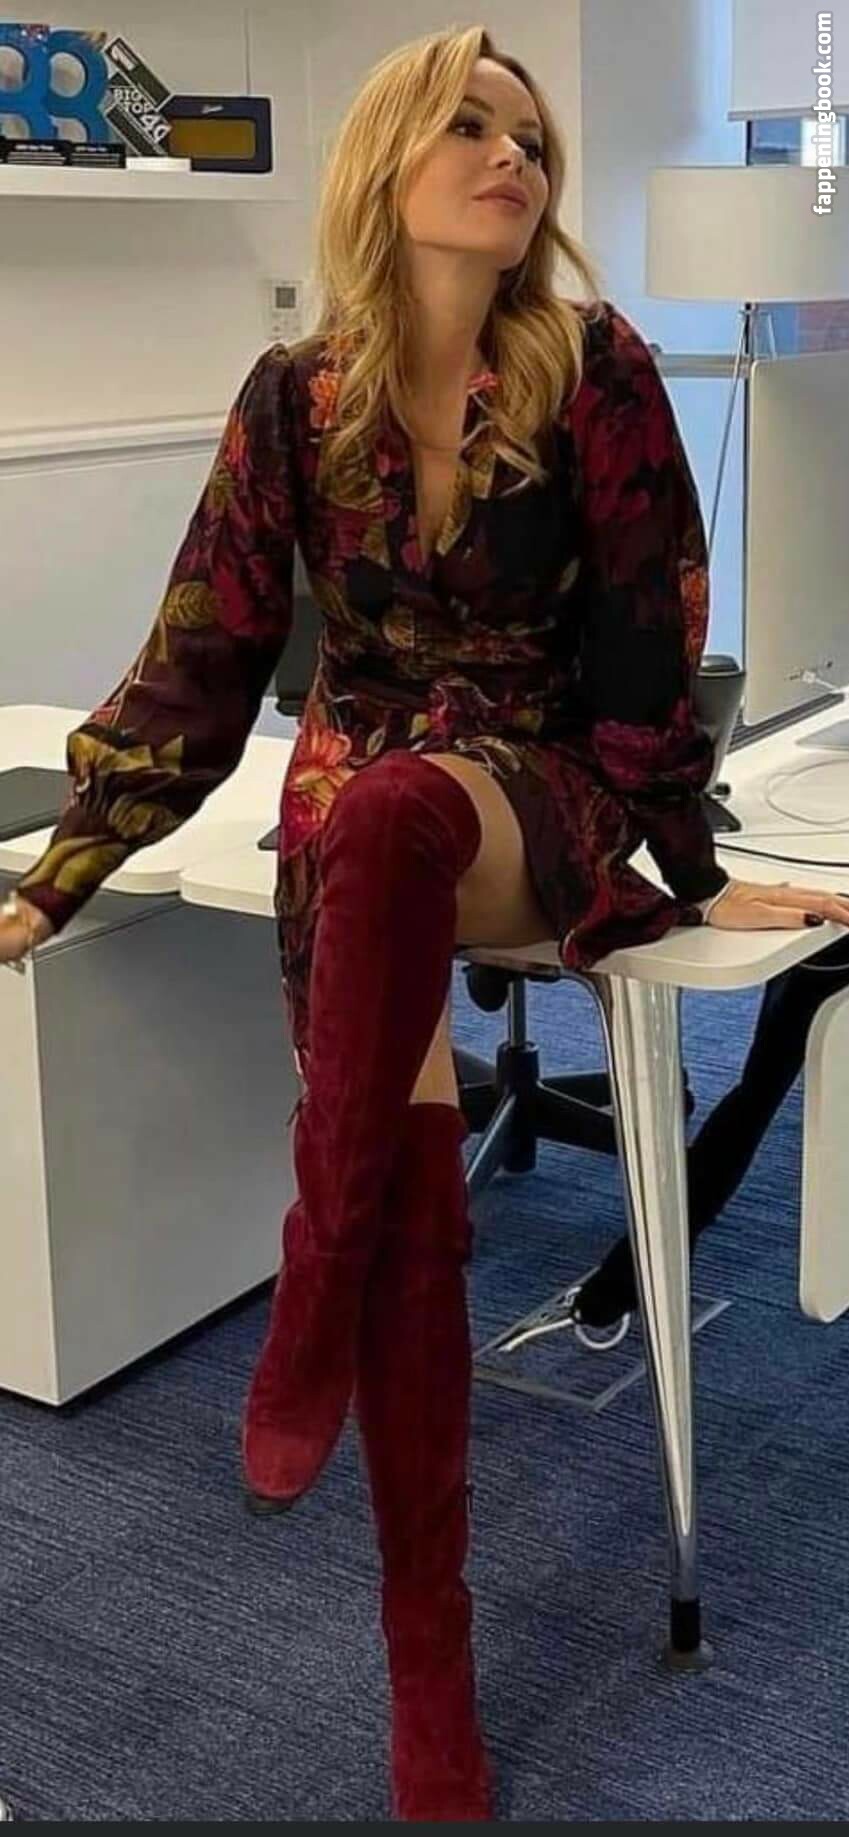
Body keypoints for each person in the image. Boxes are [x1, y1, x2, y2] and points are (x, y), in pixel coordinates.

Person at [3, 24, 849, 1822]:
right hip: (360, 819)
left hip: (530, 791)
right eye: (467, 126)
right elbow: (199, 657)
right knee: (379, 928)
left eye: (527, 137)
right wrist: (56, 874)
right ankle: (427, 1662)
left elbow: (651, 642)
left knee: (395, 812)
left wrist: (689, 870)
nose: (510, 158)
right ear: (384, 162)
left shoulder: (597, 372)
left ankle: (308, 1260)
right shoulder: (292, 396)